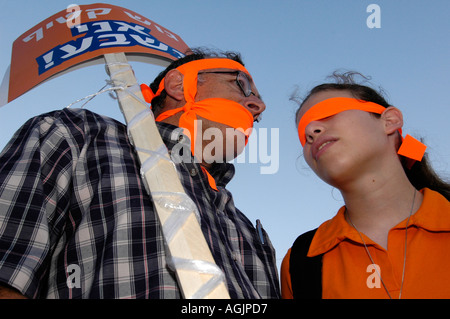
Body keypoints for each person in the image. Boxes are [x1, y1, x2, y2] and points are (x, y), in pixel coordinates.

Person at [0, 48, 280, 299]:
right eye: (242, 85)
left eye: (258, 104)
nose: (258, 107)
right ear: (179, 85)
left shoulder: (247, 227)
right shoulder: (80, 135)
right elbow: (7, 264)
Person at [281, 72, 450, 299]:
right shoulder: (300, 262)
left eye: (328, 113)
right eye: (304, 134)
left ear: (389, 121)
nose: (311, 131)